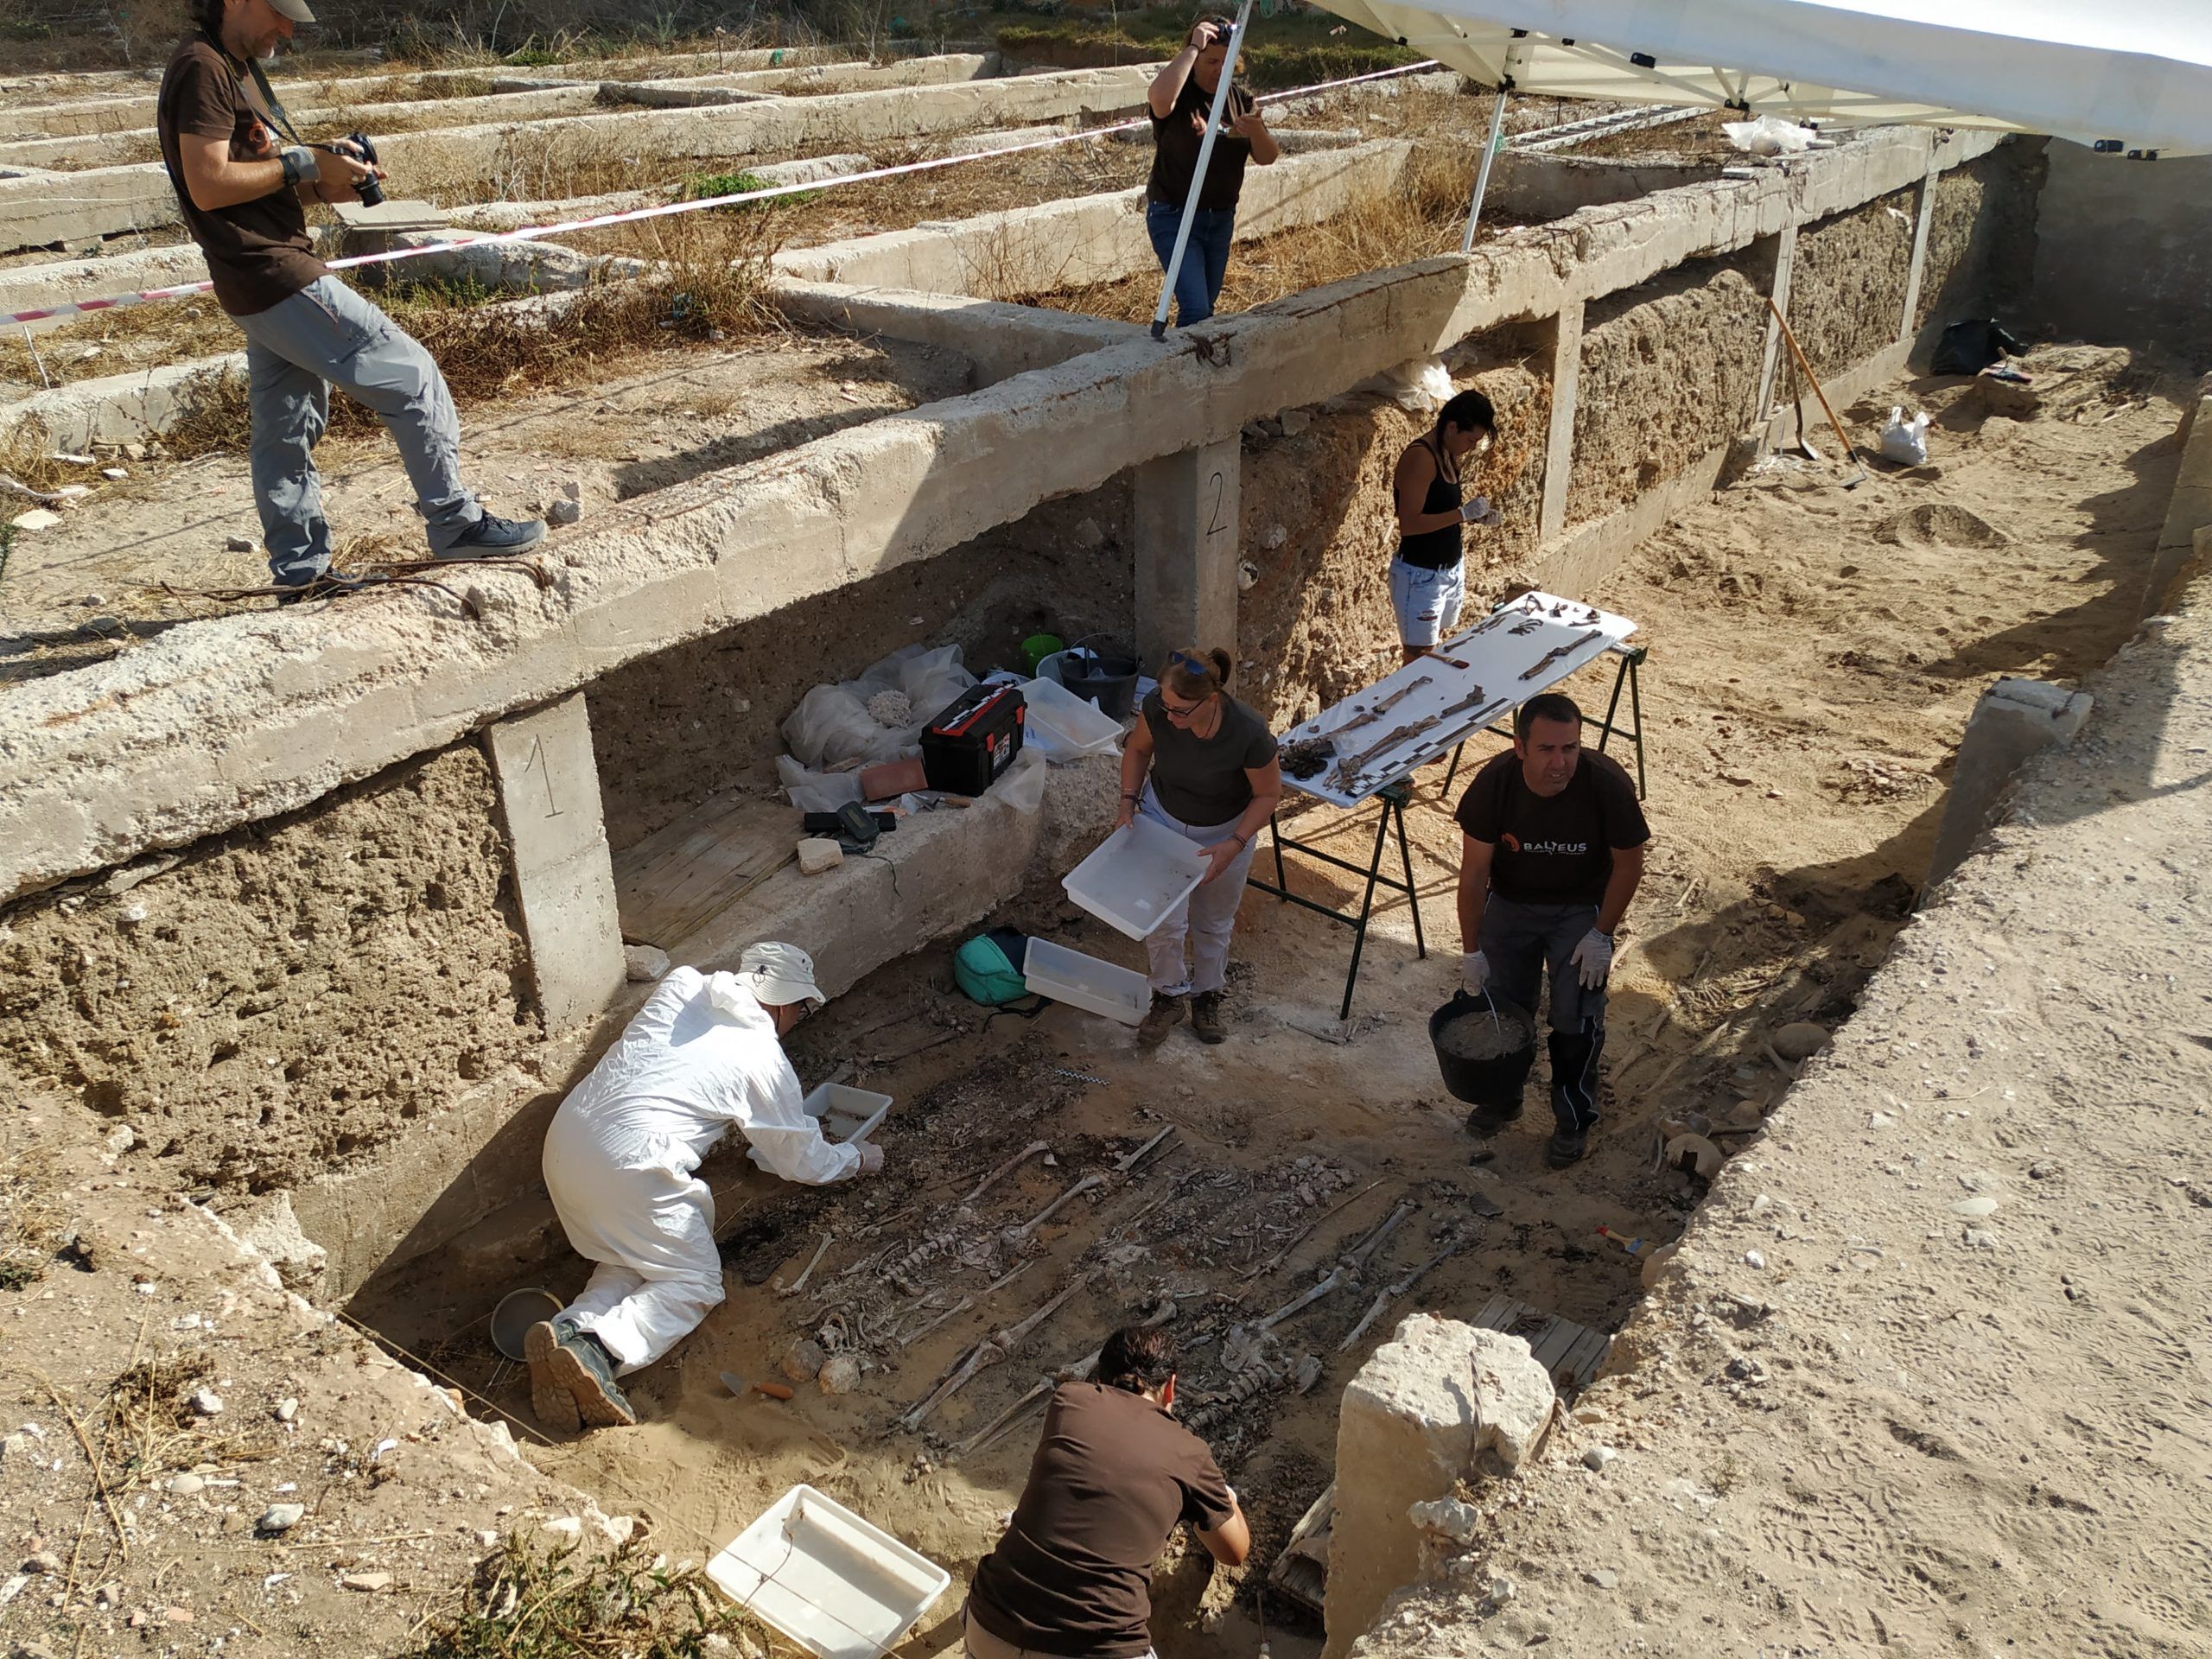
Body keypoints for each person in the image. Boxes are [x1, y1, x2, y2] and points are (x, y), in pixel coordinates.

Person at [156, 0, 543, 601]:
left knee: (285, 430)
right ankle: (455, 523)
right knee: (412, 375)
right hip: (275, 274)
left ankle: (301, 574)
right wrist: (304, 161)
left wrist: (325, 178)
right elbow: (208, 185)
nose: (286, 29)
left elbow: (256, 187)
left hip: (253, 281)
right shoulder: (201, 68)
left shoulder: (226, 68)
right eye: (278, 14)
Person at [526, 944, 886, 1432]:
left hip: (566, 1147)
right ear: (782, 1005)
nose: (797, 1020)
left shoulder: (683, 983)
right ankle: (600, 1350)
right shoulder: (761, 1057)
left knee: (640, 1254)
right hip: (632, 1169)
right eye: (801, 1009)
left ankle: (570, 1329)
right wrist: (856, 1158)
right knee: (694, 1281)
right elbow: (801, 1159)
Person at [964, 1323, 1250, 1659]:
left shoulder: (1069, 1400)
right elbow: (1235, 1551)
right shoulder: (1190, 1454)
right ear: (1171, 1388)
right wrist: (1221, 1495)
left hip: (989, 1623)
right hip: (1095, 1647)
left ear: (1099, 1376)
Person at [1455, 694, 1649, 1168]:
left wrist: (1602, 934)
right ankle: (1503, 1098)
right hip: (1512, 903)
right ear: (1520, 747)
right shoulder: (1494, 786)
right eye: (1546, 750)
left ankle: (1573, 1117)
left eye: (1570, 748)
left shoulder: (1605, 785)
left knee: (1576, 1014)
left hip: (1580, 907)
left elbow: (1629, 864)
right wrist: (1472, 950)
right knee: (1500, 1008)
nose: (1560, 763)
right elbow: (1475, 872)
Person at [1117, 647, 1283, 1046]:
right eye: (1166, 706)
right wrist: (1127, 802)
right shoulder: (1160, 708)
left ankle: (1207, 995)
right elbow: (1138, 748)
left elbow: (1268, 794)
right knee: (1161, 916)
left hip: (1225, 830)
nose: (1170, 717)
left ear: (1210, 701)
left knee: (1213, 919)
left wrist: (1235, 843)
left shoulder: (1248, 731)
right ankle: (1169, 994)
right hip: (1163, 817)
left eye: (1180, 711)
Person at [1144, 15, 1280, 327]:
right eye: (1211, 61)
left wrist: (1256, 132)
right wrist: (1194, 46)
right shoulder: (1181, 95)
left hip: (1219, 219)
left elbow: (1268, 156)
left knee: (1206, 306)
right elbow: (1160, 99)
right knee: (1195, 308)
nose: (1219, 70)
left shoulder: (1239, 99)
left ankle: (1194, 366)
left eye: (1226, 61)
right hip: (1175, 215)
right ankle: (1183, 371)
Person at [1390, 390, 1502, 665]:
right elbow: (1410, 525)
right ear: (1452, 427)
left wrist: (1476, 517)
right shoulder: (1421, 459)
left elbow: (1439, 510)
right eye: (1471, 439)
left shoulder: (1448, 454)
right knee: (1419, 659)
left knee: (1434, 650)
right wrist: (1462, 514)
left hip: (1449, 570)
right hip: (1421, 576)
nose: (1472, 447)